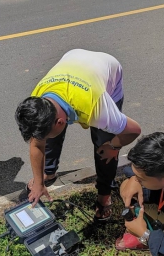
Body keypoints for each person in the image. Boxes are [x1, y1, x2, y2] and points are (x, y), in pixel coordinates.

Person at [15, 49, 141, 220]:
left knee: (104, 147)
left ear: (61, 122)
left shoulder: (99, 110)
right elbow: (36, 144)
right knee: (48, 134)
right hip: (74, 59)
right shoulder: (38, 101)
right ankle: (49, 172)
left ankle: (104, 195)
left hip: (107, 69)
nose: (39, 140)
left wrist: (113, 146)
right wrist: (39, 183)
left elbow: (133, 130)